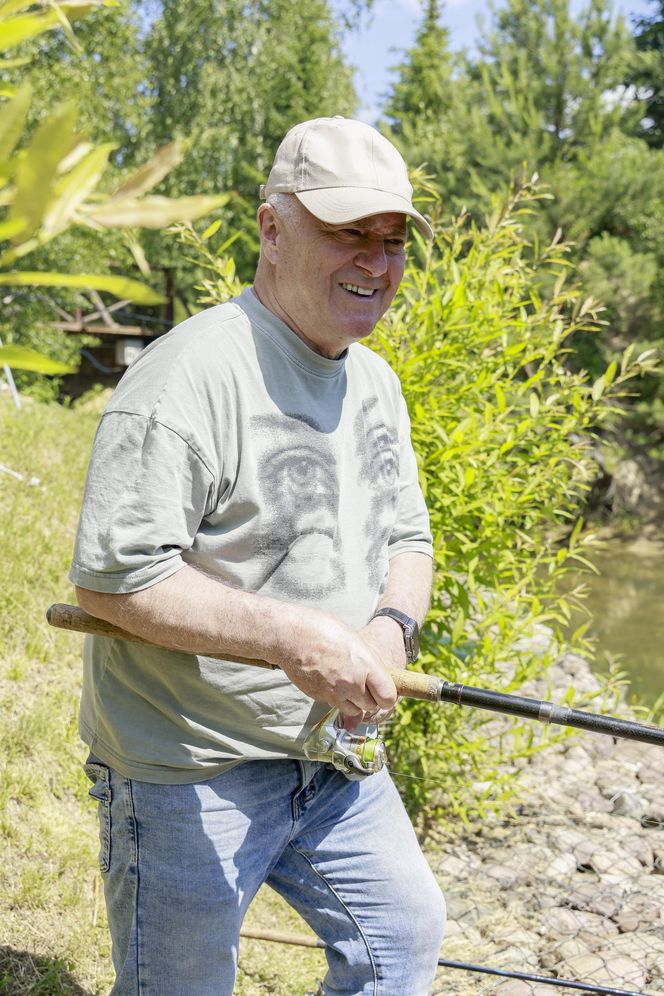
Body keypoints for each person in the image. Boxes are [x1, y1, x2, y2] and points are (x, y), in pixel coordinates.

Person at [70, 115, 446, 996]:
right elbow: (116, 580)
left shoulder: (375, 379)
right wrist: (292, 638)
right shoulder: (187, 376)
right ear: (272, 228)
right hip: (187, 763)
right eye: (346, 232)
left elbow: (409, 538)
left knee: (402, 938)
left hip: (333, 758)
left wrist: (390, 630)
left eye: (391, 241)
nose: (375, 262)